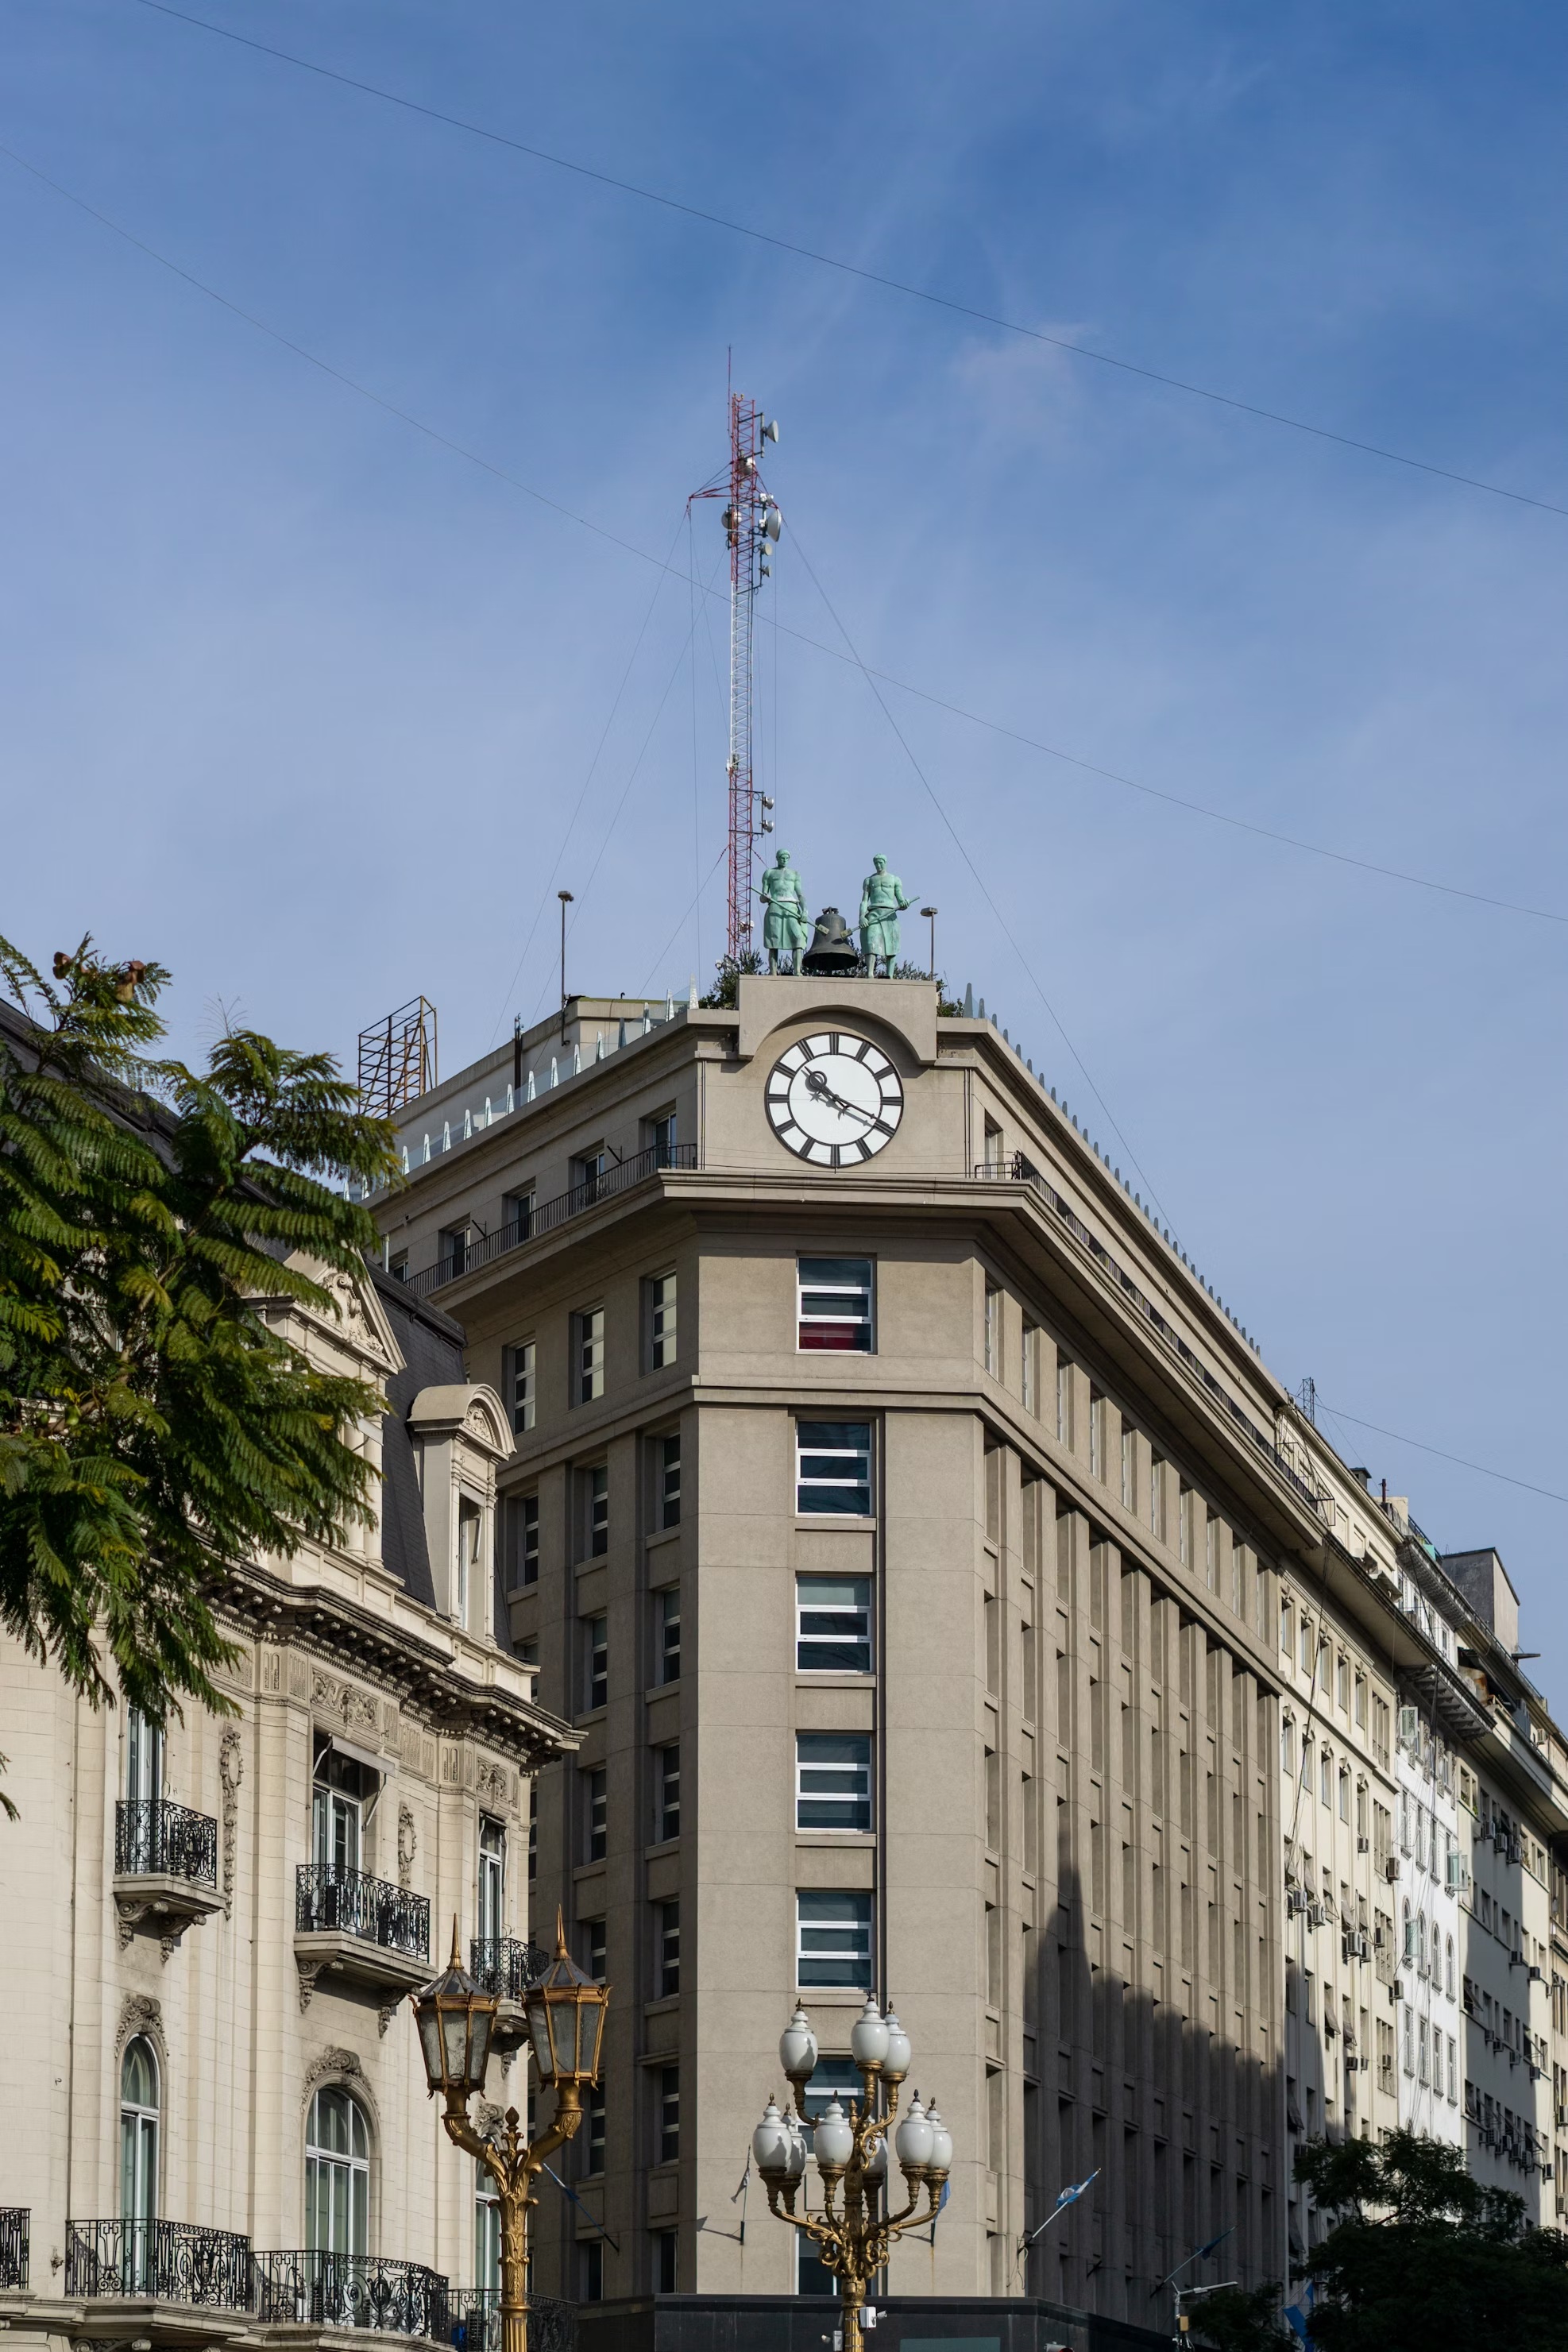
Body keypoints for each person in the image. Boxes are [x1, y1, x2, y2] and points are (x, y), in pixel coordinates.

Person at [858, 854, 913, 975]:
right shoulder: (869, 880)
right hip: (874, 913)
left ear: (885, 862)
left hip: (889, 914)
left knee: (891, 945)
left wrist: (904, 903)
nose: (878, 865)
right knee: (871, 941)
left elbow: (900, 900)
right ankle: (870, 973)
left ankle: (890, 975)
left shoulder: (895, 879)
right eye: (876, 863)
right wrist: (862, 916)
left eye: (881, 862)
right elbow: (864, 901)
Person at [759, 850, 810, 974]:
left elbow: (800, 895)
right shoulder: (769, 873)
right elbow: (763, 896)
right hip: (775, 906)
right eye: (782, 857)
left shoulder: (794, 874)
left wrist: (805, 910)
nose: (784, 860)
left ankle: (797, 971)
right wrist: (765, 897)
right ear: (777, 858)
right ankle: (773, 971)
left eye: (787, 857)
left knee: (798, 938)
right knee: (773, 941)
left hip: (791, 907)